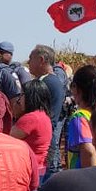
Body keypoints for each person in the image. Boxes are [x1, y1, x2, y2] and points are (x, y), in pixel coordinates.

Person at [26, 45, 66, 179]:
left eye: (31, 58)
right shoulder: (54, 80)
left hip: (42, 139)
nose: (28, 62)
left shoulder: (44, 82)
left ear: (41, 60)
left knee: (43, 176)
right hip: (49, 136)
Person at [64, 64, 96, 169]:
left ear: (76, 88)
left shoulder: (79, 117)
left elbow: (88, 151)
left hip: (85, 177)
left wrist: (89, 180)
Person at [11, 77, 53, 175]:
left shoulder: (30, 118)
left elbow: (7, 138)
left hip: (29, 168)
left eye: (21, 95)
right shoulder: (42, 115)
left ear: (30, 96)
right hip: (40, 167)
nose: (18, 99)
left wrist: (14, 114)